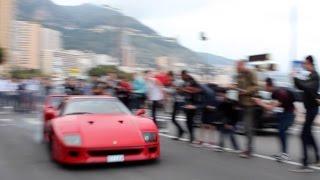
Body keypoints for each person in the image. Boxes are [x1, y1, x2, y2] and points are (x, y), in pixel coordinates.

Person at [253, 78, 295, 162]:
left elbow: (271, 107)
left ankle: (285, 155)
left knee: (282, 132)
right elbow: (272, 105)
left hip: (288, 114)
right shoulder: (274, 93)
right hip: (282, 114)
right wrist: (262, 103)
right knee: (280, 132)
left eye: (265, 85)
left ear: (269, 86)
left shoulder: (279, 93)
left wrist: (259, 103)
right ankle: (283, 152)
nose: (264, 88)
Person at [291, 56, 320, 172]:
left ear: (310, 64)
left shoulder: (315, 76)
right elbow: (300, 85)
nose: (303, 65)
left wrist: (296, 77)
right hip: (310, 109)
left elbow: (305, 86)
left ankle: (305, 163)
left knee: (303, 134)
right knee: (308, 134)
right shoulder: (310, 76)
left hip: (312, 110)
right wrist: (295, 78)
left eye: (305, 63)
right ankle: (317, 158)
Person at [234, 60, 258, 158]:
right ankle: (248, 149)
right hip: (243, 104)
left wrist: (245, 92)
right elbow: (239, 87)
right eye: (236, 66)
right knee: (245, 128)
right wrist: (234, 87)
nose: (237, 68)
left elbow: (256, 86)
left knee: (248, 128)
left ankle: (249, 150)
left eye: (238, 66)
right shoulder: (240, 75)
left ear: (243, 65)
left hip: (250, 104)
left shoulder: (251, 73)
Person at [214, 87, 240, 152]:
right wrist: (224, 122)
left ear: (225, 94)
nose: (219, 97)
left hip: (232, 119)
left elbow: (236, 114)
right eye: (218, 95)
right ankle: (220, 146)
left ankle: (236, 148)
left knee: (231, 134)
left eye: (220, 95)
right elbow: (219, 112)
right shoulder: (221, 102)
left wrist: (231, 124)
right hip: (225, 119)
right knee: (222, 133)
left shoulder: (232, 101)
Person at [181, 70, 202, 144]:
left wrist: (189, 90)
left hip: (193, 103)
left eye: (182, 76)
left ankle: (192, 137)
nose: (182, 77)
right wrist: (183, 90)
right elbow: (184, 91)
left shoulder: (193, 81)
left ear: (185, 75)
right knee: (188, 121)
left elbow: (199, 90)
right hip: (187, 103)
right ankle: (191, 136)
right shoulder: (185, 82)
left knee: (190, 121)